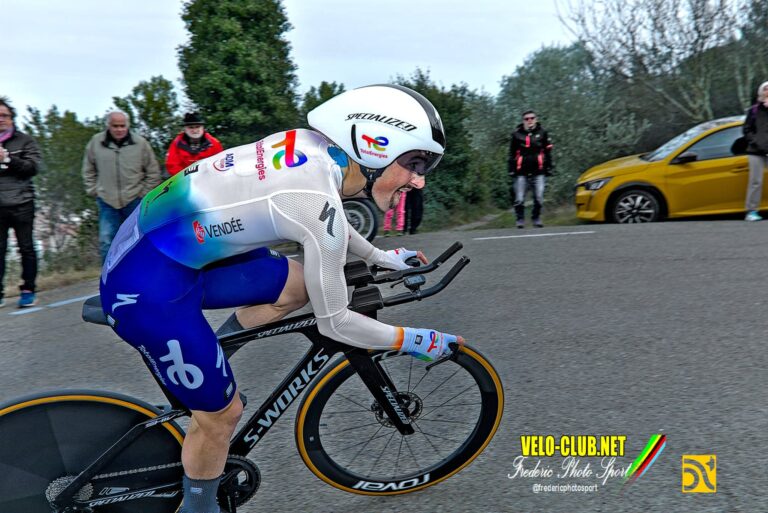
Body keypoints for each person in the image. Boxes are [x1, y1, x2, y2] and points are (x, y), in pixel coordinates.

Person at [99, 84, 463, 513]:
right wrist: (416, 340)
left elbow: (327, 222)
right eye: (415, 163)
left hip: (162, 247)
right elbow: (337, 323)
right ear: (374, 146)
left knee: (299, 285)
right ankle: (200, 504)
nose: (419, 179)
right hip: (144, 286)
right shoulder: (314, 199)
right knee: (221, 418)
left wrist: (384, 257)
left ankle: (211, 365)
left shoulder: (315, 150)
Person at [82, 111, 161, 263]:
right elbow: (88, 169)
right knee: (107, 240)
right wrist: (94, 190)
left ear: (128, 125)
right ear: (108, 126)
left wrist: (144, 194)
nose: (119, 129)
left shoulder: (140, 144)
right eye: (115, 126)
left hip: (134, 200)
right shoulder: (95, 143)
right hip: (107, 201)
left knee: (139, 239)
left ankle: (142, 277)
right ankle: (109, 280)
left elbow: (153, 171)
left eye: (122, 126)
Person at [0, 97, 41, 308]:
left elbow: (32, 168)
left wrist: (7, 159)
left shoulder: (24, 141)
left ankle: (28, 289)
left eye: (5, 116)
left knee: (26, 248)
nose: (1, 120)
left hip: (22, 202)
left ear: (12, 118)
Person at [507, 110, 553, 228]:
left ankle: (536, 218)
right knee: (519, 198)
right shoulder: (516, 134)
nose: (530, 121)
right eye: (527, 119)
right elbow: (511, 154)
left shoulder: (543, 133)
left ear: (536, 119)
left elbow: (548, 152)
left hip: (539, 170)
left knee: (539, 197)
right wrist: (511, 169)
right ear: (523, 121)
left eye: (532, 118)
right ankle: (520, 219)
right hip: (521, 171)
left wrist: (549, 167)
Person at [165, 112, 224, 176]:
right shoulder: (176, 144)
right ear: (185, 129)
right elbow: (172, 165)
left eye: (197, 127)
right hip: (184, 180)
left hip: (210, 178)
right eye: (191, 127)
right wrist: (187, 177)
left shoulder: (214, 143)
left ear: (203, 128)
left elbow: (221, 163)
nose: (195, 130)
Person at [743, 81, 768, 222]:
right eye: (766, 89)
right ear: (761, 92)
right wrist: (756, 142)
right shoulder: (754, 110)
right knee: (755, 182)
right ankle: (751, 211)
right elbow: (746, 130)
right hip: (756, 152)